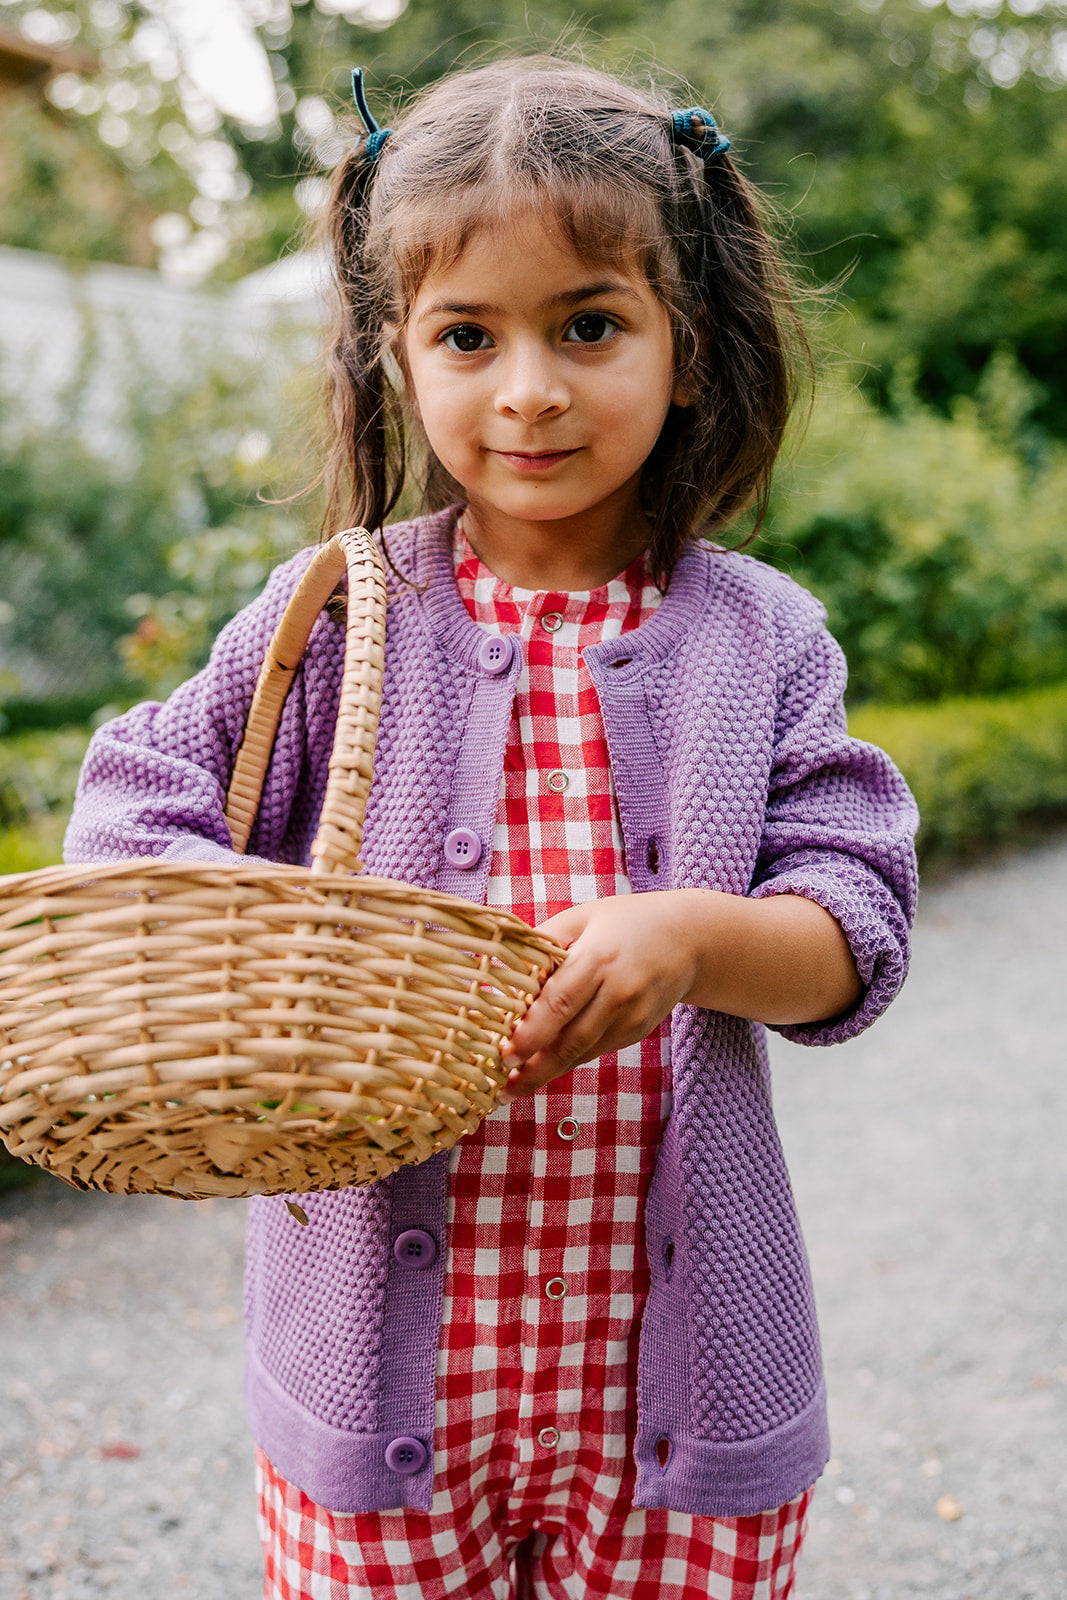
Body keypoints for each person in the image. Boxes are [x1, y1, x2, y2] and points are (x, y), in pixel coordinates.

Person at [65, 56, 918, 1600]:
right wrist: (256, 950)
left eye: (589, 324)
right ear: (399, 357)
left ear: (686, 341)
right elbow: (133, 806)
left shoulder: (763, 642)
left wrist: (698, 939)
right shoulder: (336, 617)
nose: (529, 386)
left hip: (675, 1404)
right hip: (386, 1389)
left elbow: (854, 935)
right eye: (469, 335)